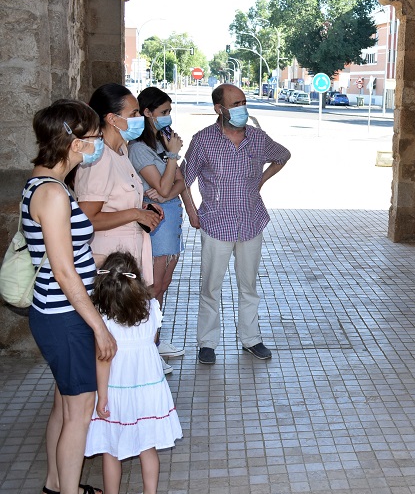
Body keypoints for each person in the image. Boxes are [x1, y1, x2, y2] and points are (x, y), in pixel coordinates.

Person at [24, 99, 116, 494]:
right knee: (78, 413)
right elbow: (63, 271)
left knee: (64, 406)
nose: (99, 145)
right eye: (95, 138)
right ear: (75, 142)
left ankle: (55, 486)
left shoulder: (44, 185)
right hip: (65, 315)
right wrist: (99, 327)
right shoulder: (53, 194)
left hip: (57, 312)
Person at [183, 84, 291, 365]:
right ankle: (207, 343)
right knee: (211, 287)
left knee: (249, 285)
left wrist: (261, 181)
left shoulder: (257, 138)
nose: (242, 108)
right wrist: (192, 213)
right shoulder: (203, 140)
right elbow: (184, 179)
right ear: (219, 109)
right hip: (216, 224)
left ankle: (251, 339)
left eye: (243, 102)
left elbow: (283, 155)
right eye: (235, 103)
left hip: (251, 222)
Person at [73, 84, 169, 375]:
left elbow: (118, 198)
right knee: (115, 336)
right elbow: (86, 219)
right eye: (134, 113)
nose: (140, 118)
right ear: (112, 119)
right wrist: (134, 212)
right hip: (109, 264)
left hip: (129, 253)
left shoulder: (121, 150)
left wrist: (143, 209)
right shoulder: (99, 158)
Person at [84, 252, 183, 494]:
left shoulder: (101, 318)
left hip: (117, 391)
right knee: (147, 446)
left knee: (111, 449)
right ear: (136, 281)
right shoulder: (151, 309)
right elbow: (151, 340)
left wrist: (101, 397)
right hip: (149, 389)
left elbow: (103, 361)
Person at [129, 87, 189, 362]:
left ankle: (155, 340)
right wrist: (173, 158)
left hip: (172, 223)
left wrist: (169, 184)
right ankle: (146, 348)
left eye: (169, 112)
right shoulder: (139, 149)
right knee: (152, 288)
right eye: (163, 112)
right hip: (157, 225)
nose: (168, 117)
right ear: (147, 113)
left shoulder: (160, 145)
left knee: (162, 287)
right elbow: (166, 185)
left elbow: (179, 182)